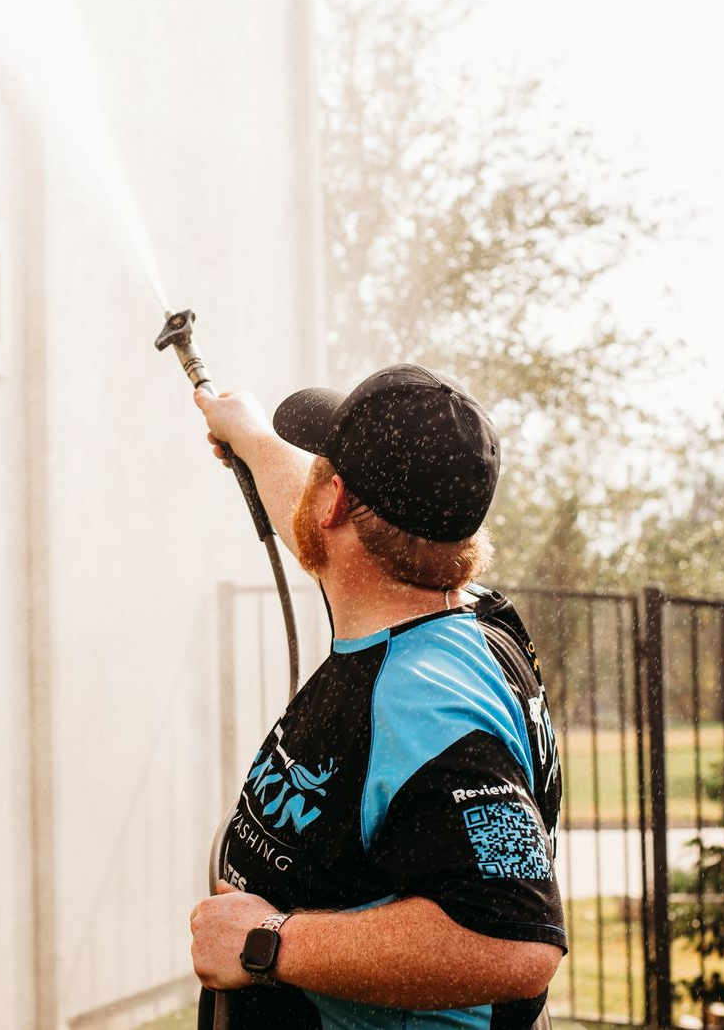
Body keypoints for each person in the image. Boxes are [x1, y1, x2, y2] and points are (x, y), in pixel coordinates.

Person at [188, 364, 566, 1030]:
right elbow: (316, 517)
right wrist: (246, 434)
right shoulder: (467, 615)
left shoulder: (421, 704)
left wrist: (268, 942)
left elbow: (515, 940)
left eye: (319, 471)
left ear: (331, 501)